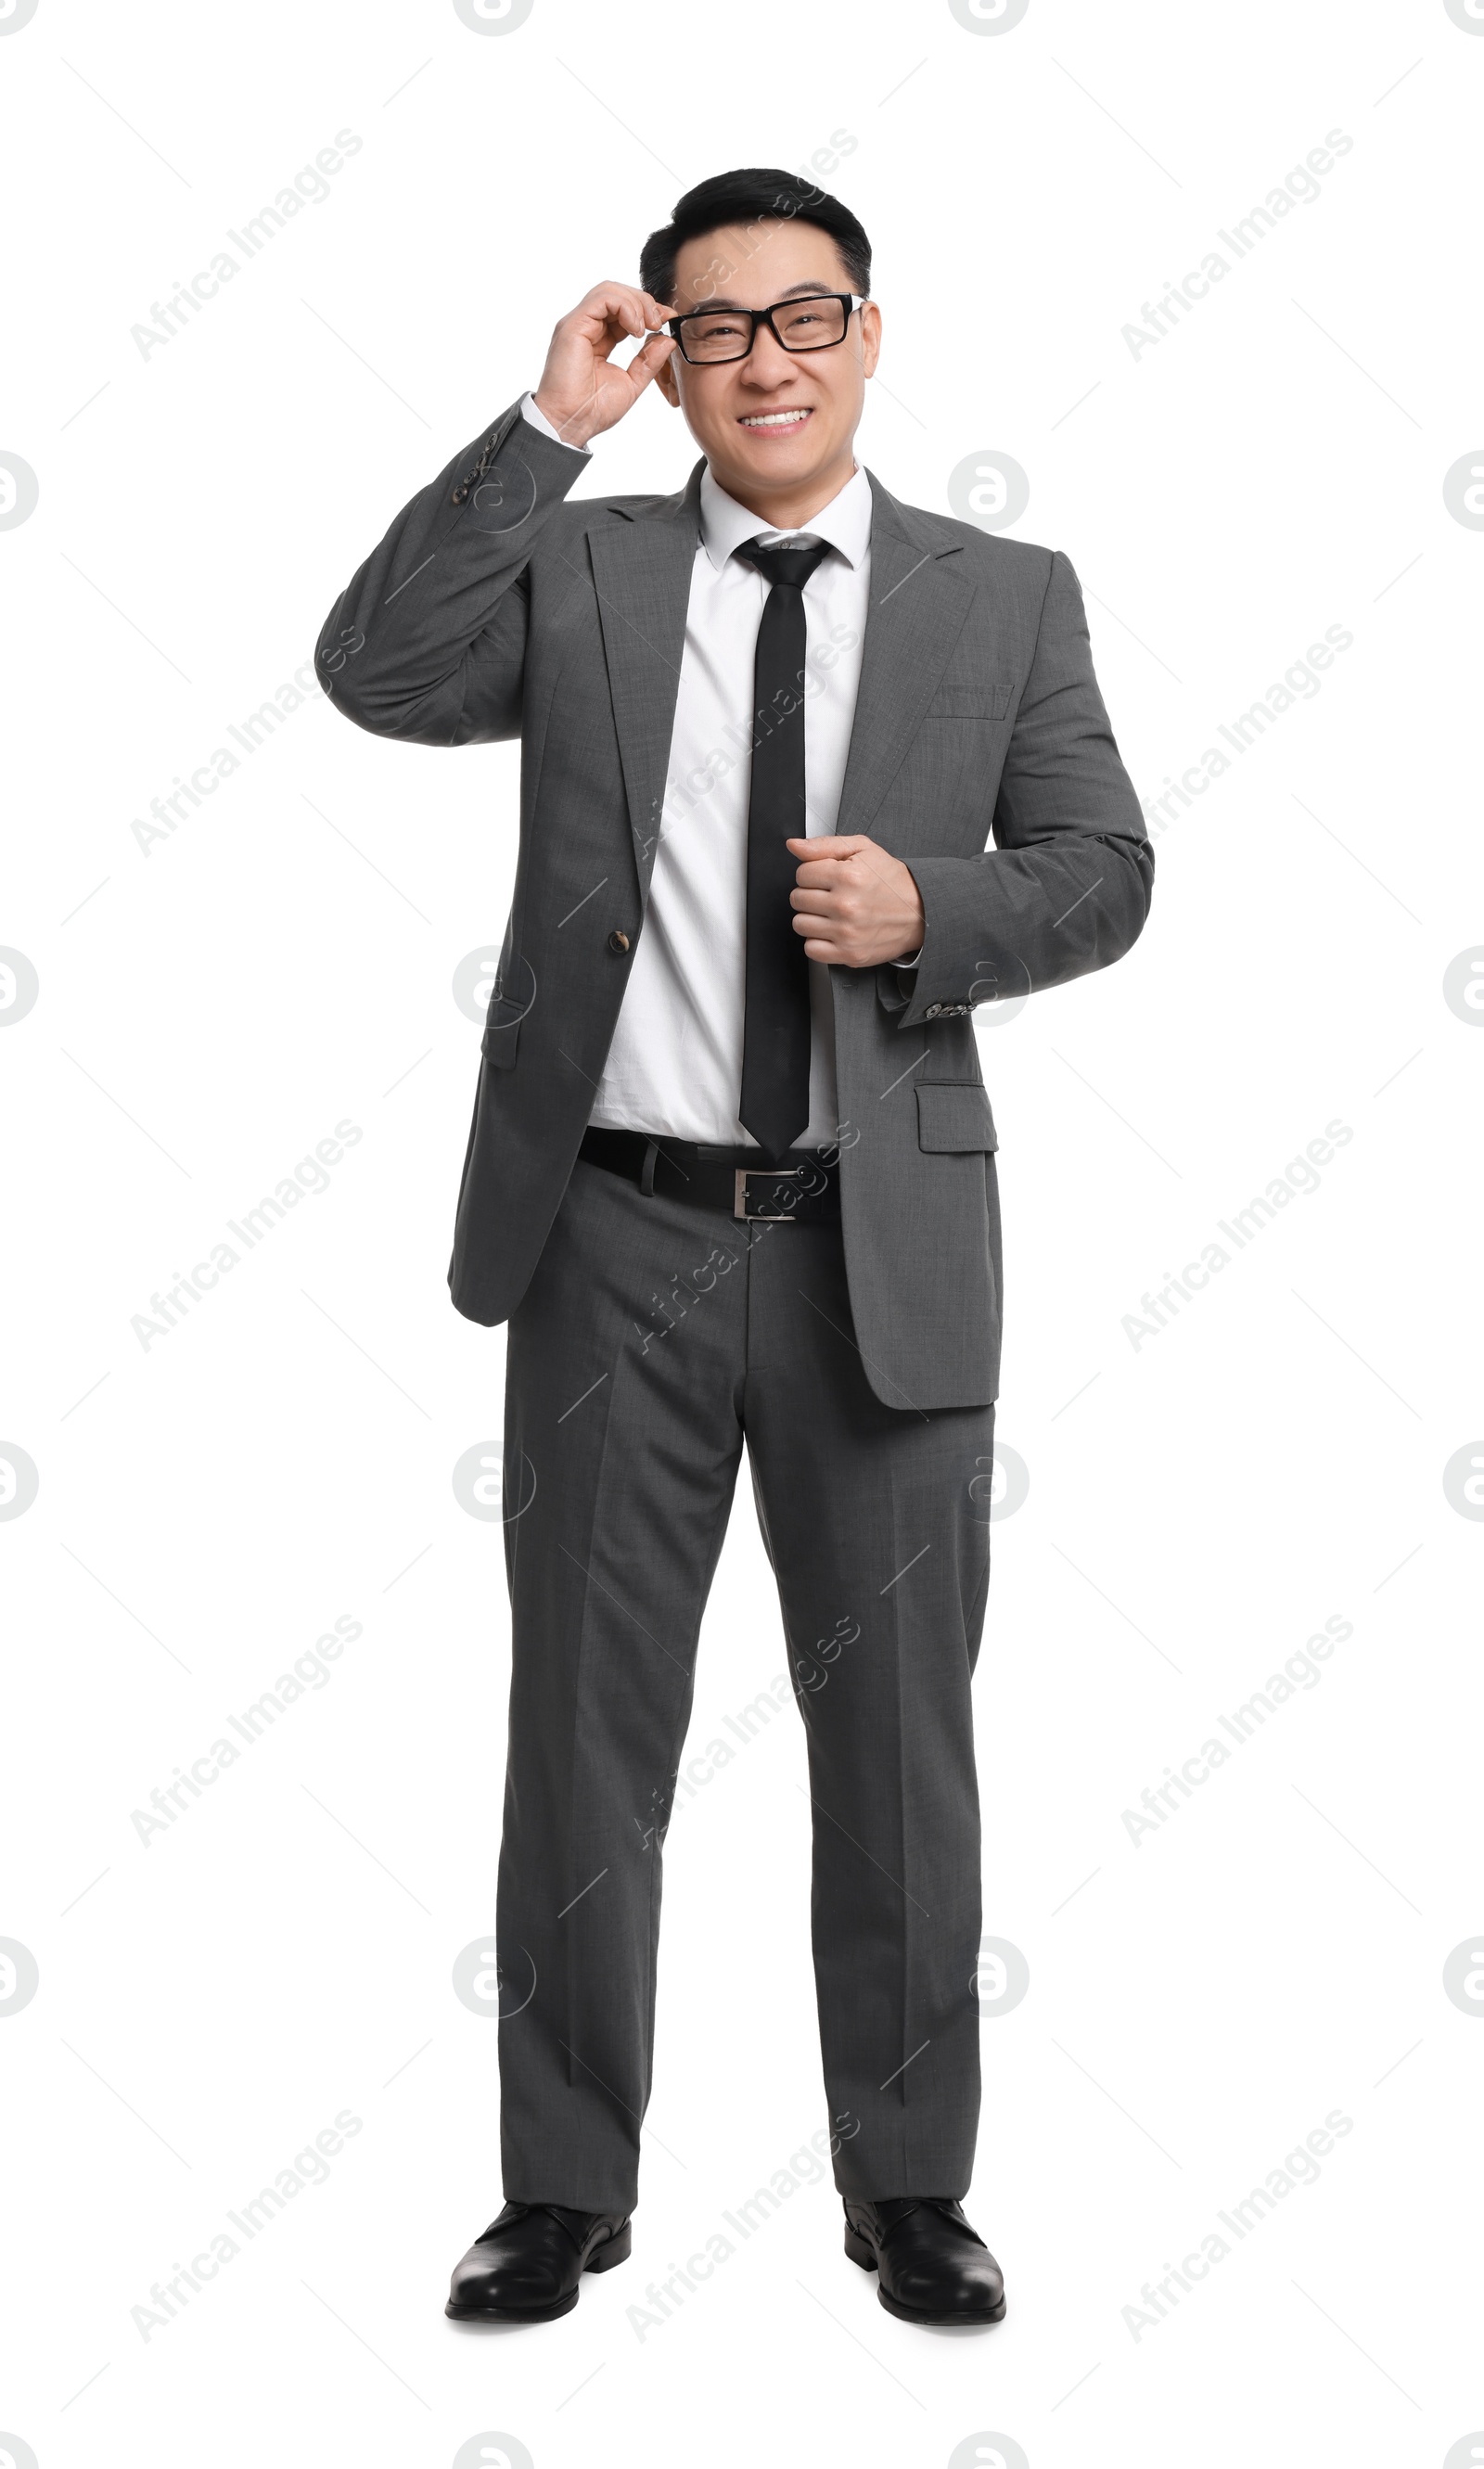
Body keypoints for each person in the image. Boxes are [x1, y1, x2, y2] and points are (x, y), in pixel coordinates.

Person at [316, 165, 1153, 2330]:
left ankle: (908, 2186)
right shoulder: (585, 569)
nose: (764, 360)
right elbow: (373, 668)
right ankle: (558, 2183)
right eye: (714, 329)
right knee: (581, 1738)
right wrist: (540, 428)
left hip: (881, 1248)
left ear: (872, 333)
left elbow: (1102, 866)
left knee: (898, 1747)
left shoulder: (1003, 593)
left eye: (804, 318)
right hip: (612, 1234)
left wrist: (932, 920)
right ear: (668, 356)